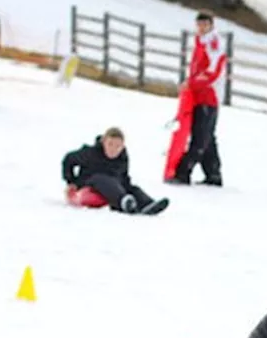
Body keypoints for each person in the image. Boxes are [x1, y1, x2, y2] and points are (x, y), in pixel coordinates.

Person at [169, 11, 226, 186]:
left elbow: (213, 72)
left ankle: (183, 171)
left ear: (211, 25)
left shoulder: (213, 45)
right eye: (199, 24)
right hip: (199, 95)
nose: (201, 28)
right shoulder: (201, 43)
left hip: (208, 96)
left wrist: (191, 84)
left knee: (200, 136)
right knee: (207, 136)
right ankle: (213, 173)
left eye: (205, 25)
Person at [62, 127, 170, 215]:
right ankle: (124, 201)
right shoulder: (90, 153)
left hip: (114, 187)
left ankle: (147, 204)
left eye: (118, 146)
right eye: (110, 144)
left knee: (130, 187)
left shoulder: (122, 157)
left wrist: (129, 188)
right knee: (102, 178)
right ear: (103, 142)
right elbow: (68, 159)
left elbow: (124, 176)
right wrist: (71, 181)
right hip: (90, 186)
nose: (113, 149)